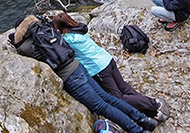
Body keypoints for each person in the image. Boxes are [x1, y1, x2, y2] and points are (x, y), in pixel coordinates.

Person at [12, 15, 158, 133]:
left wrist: (14, 40)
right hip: (78, 66)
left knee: (101, 107)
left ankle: (137, 130)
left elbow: (22, 49)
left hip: (70, 77)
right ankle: (143, 119)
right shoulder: (45, 28)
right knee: (107, 98)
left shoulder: (25, 46)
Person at [52, 13, 170, 122]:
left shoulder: (68, 40)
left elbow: (55, 42)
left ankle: (155, 104)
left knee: (118, 98)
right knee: (124, 88)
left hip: (99, 69)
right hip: (108, 59)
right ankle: (152, 111)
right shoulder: (80, 30)